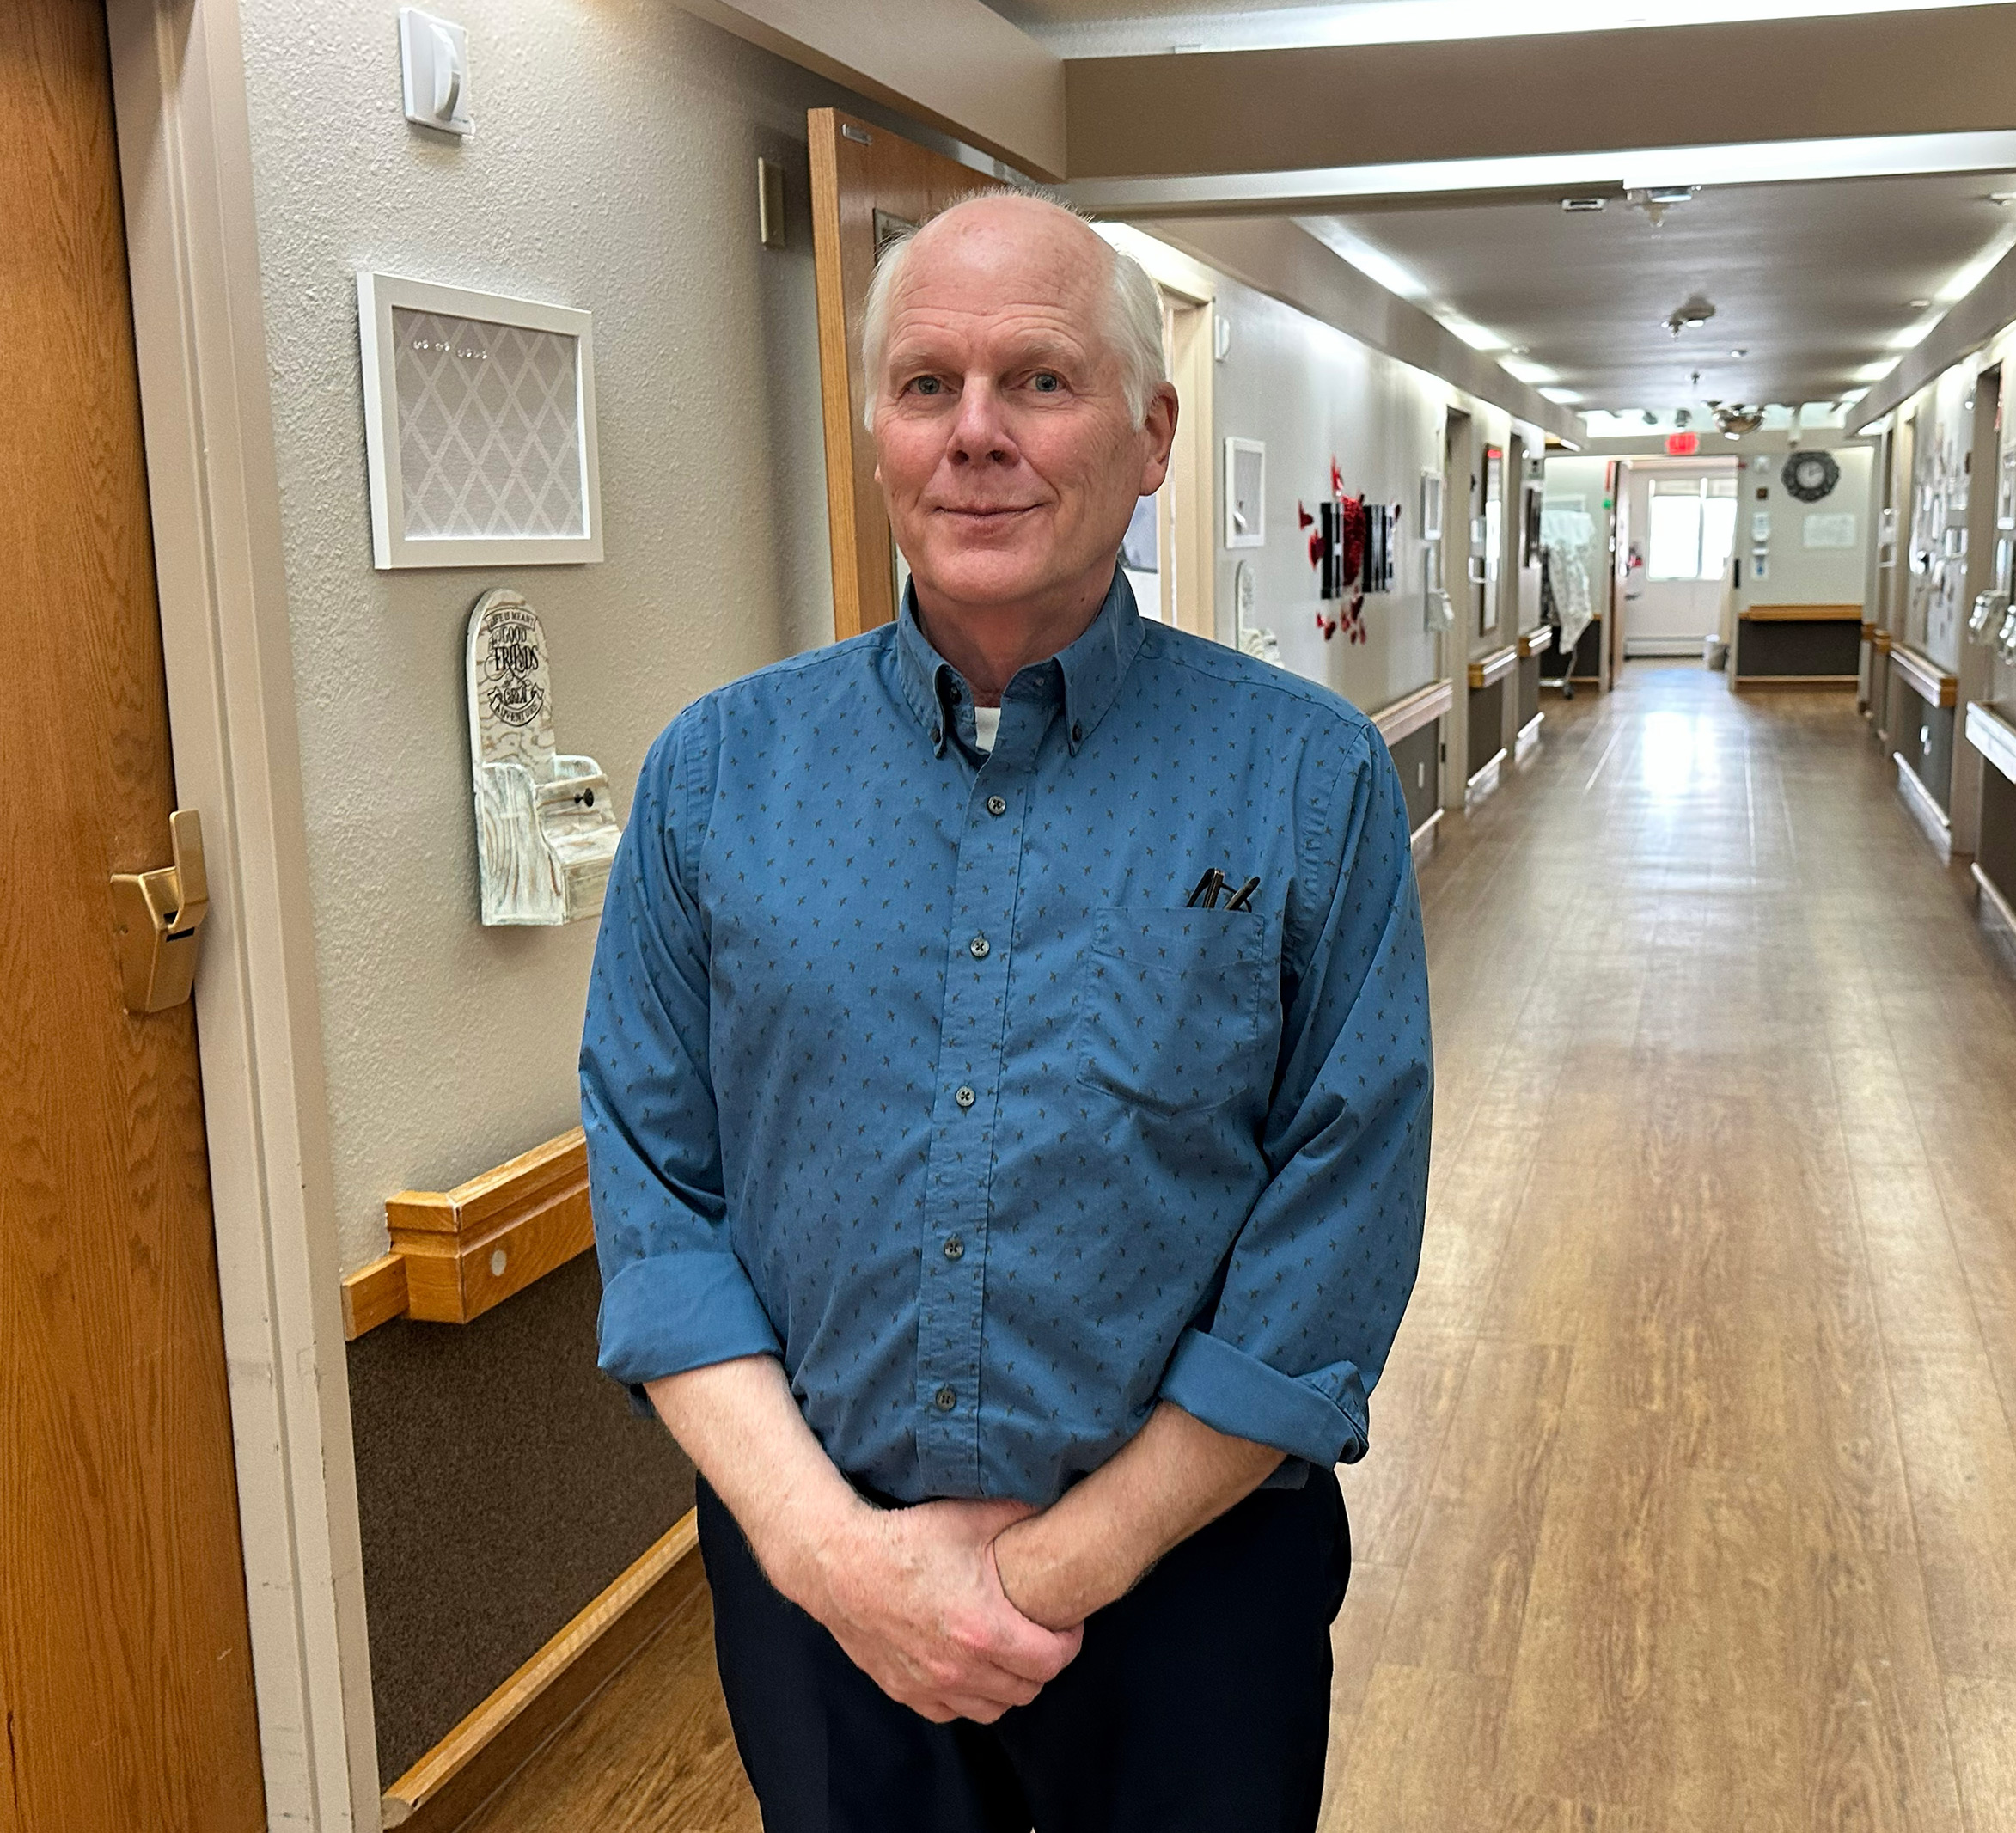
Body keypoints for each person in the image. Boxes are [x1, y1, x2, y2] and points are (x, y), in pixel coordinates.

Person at [579, 192, 1433, 1831]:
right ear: (879, 432)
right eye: (925, 386)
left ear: (1151, 432)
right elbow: (658, 1196)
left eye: (1038, 381)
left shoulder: (1301, 782)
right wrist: (846, 1564)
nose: (976, 436)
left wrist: (1056, 1562)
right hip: (822, 1584)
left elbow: (1339, 1223)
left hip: (1193, 1580)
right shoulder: (716, 780)